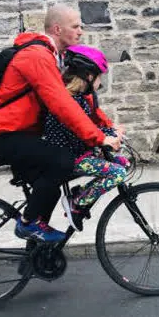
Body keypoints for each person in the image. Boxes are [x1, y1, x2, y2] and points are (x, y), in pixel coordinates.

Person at [0, 4, 121, 243]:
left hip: (23, 135)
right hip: (4, 137)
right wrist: (99, 138)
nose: (80, 31)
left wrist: (108, 126)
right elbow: (62, 104)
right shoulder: (37, 56)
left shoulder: (54, 57)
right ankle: (28, 224)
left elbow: (82, 98)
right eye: (75, 26)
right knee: (62, 161)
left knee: (51, 188)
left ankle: (37, 253)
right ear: (58, 28)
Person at [43, 45, 129, 232]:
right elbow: (82, 133)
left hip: (79, 153)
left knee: (123, 163)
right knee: (117, 173)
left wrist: (110, 132)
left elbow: (89, 126)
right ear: (89, 77)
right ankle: (77, 202)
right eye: (100, 77)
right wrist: (108, 138)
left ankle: (81, 193)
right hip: (68, 158)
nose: (100, 83)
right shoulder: (68, 101)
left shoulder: (79, 98)